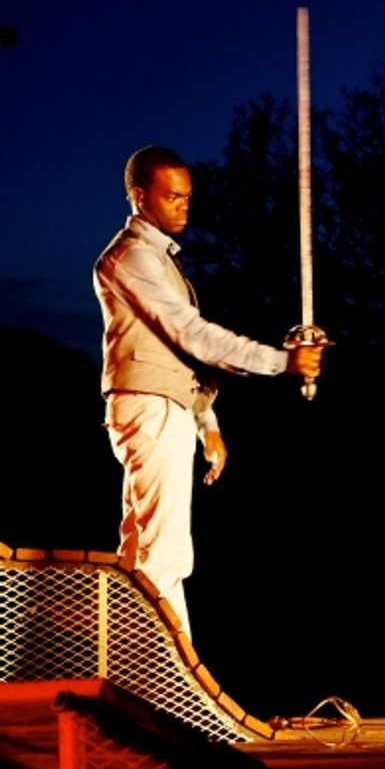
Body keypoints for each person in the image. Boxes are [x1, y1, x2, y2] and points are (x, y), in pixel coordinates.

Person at [93, 145, 324, 639]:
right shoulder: (132, 256)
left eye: (188, 197)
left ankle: (141, 670)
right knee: (165, 551)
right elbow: (191, 335)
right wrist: (282, 362)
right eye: (172, 196)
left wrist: (206, 424)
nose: (184, 206)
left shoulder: (158, 258)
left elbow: (179, 356)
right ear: (139, 196)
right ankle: (163, 676)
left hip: (163, 408)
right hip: (150, 409)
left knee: (142, 549)